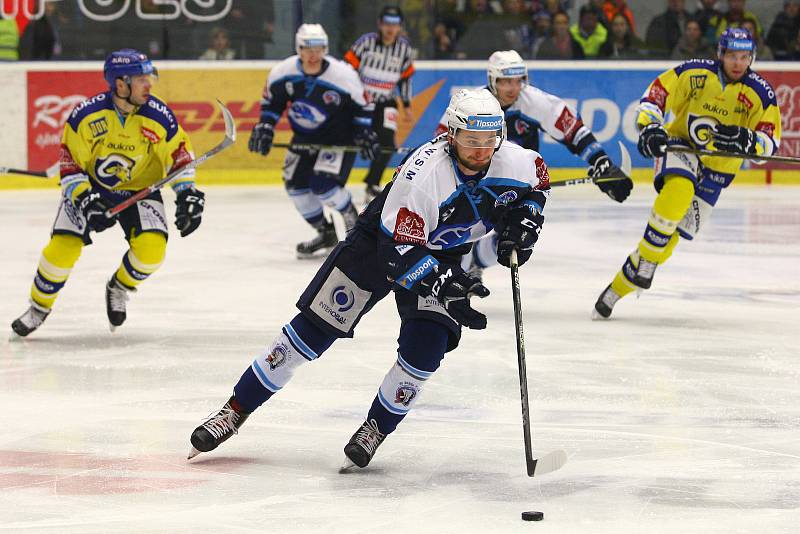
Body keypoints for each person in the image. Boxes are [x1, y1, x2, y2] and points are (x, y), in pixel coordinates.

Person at [187, 88, 551, 469]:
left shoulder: (516, 161)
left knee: (426, 347)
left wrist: (525, 220)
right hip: (379, 245)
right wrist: (445, 282)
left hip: (440, 251)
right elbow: (398, 255)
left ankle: (376, 426)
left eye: (489, 141)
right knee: (311, 332)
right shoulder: (424, 176)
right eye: (471, 140)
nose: (481, 151)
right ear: (451, 135)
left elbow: (539, 185)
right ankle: (234, 409)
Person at [11, 49, 205, 337]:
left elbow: (179, 156)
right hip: (91, 188)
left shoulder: (159, 115)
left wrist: (187, 192)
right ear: (120, 84)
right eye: (141, 79)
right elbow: (70, 165)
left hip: (139, 190)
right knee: (61, 250)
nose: (149, 85)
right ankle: (39, 307)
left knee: (152, 251)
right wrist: (86, 200)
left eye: (148, 78)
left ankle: (119, 286)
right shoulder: (86, 117)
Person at [593, 29, 781, 319]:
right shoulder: (695, 73)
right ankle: (647, 262)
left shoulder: (761, 93)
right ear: (720, 54)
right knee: (679, 190)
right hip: (683, 146)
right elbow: (657, 93)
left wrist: (751, 141)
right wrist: (651, 125)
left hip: (718, 170)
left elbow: (770, 140)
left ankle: (616, 289)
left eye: (744, 57)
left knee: (670, 240)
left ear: (752, 58)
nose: (737, 63)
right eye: (732, 55)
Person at [434, 50, 632, 274]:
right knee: (458, 227)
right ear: (492, 80)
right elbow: (442, 145)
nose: (513, 88)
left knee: (511, 236)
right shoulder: (470, 106)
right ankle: (450, 274)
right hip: (471, 178)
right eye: (506, 81)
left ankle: (473, 264)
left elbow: (572, 129)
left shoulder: (533, 101)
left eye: (518, 80)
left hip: (513, 182)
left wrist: (601, 161)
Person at [248, 24, 381, 259]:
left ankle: (349, 214)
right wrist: (266, 125)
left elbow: (364, 104)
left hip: (338, 139)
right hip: (305, 138)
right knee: (295, 186)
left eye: (318, 48)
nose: (312, 55)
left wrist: (363, 132)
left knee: (322, 184)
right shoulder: (282, 72)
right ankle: (325, 233)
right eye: (307, 49)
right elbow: (272, 103)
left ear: (325, 49)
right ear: (298, 48)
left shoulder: (343, 75)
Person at [344, 6, 415, 203]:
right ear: (380, 24)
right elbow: (347, 70)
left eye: (395, 24)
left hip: (387, 102)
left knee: (387, 143)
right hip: (360, 101)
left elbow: (405, 79)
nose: (390, 28)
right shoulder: (365, 42)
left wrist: (407, 106)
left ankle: (372, 184)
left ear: (400, 26)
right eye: (387, 23)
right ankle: (336, 180)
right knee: (351, 139)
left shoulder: (404, 49)